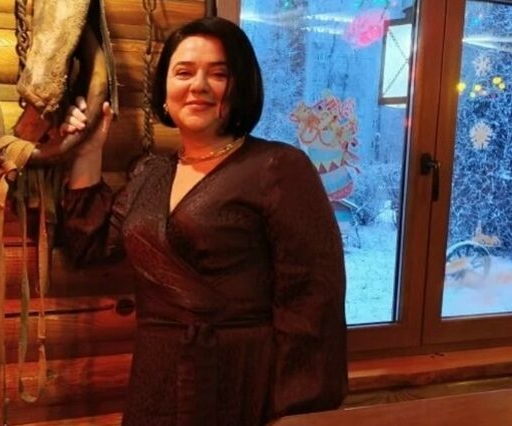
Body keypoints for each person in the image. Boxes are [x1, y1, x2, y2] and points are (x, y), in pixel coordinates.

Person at [59, 16, 348, 426]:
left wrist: (296, 411)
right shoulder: (150, 174)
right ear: (164, 91)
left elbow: (314, 302)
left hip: (241, 377)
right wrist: (89, 149)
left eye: (218, 74)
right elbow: (89, 243)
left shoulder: (279, 167)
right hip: (157, 374)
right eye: (184, 72)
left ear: (240, 87)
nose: (198, 85)